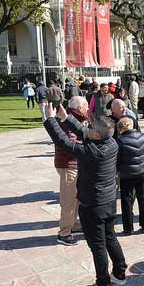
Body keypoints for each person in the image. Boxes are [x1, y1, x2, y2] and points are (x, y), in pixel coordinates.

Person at [43, 104, 127, 286]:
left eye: (91, 127)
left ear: (97, 135)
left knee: (97, 245)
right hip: (108, 201)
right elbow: (84, 133)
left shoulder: (91, 152)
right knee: (110, 237)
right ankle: (120, 274)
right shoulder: (112, 143)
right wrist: (66, 118)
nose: (87, 128)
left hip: (92, 206)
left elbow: (63, 142)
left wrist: (50, 120)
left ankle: (102, 285)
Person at [53, 96, 89, 246]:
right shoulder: (67, 120)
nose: (88, 109)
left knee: (76, 198)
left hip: (75, 164)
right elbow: (69, 144)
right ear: (79, 108)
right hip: (69, 165)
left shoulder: (75, 118)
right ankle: (64, 233)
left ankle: (73, 225)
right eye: (86, 106)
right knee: (68, 201)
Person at [116, 117, 144, 235]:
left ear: (120, 129)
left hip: (127, 175)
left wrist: (119, 169)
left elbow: (117, 160)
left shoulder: (120, 141)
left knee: (126, 200)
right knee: (143, 198)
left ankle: (128, 228)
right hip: (143, 173)